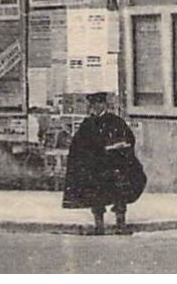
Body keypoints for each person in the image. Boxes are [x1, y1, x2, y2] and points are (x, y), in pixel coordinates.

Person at [61, 92, 146, 235]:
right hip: (96, 167)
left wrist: (117, 149)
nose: (96, 108)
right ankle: (99, 226)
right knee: (96, 196)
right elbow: (78, 145)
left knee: (120, 195)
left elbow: (128, 139)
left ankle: (121, 224)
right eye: (93, 105)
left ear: (104, 105)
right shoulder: (88, 124)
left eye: (99, 104)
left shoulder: (116, 121)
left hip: (115, 165)